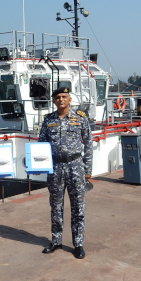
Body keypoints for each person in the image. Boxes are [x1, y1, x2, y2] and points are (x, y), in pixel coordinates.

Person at [38, 86, 93, 259]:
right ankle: (56, 240)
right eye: (57, 97)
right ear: (54, 101)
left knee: (78, 206)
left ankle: (78, 243)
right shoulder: (48, 120)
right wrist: (40, 165)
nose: (61, 99)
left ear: (69, 99)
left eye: (64, 96)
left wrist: (88, 168)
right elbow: (41, 145)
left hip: (75, 166)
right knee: (56, 206)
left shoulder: (80, 118)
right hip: (55, 168)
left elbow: (89, 143)